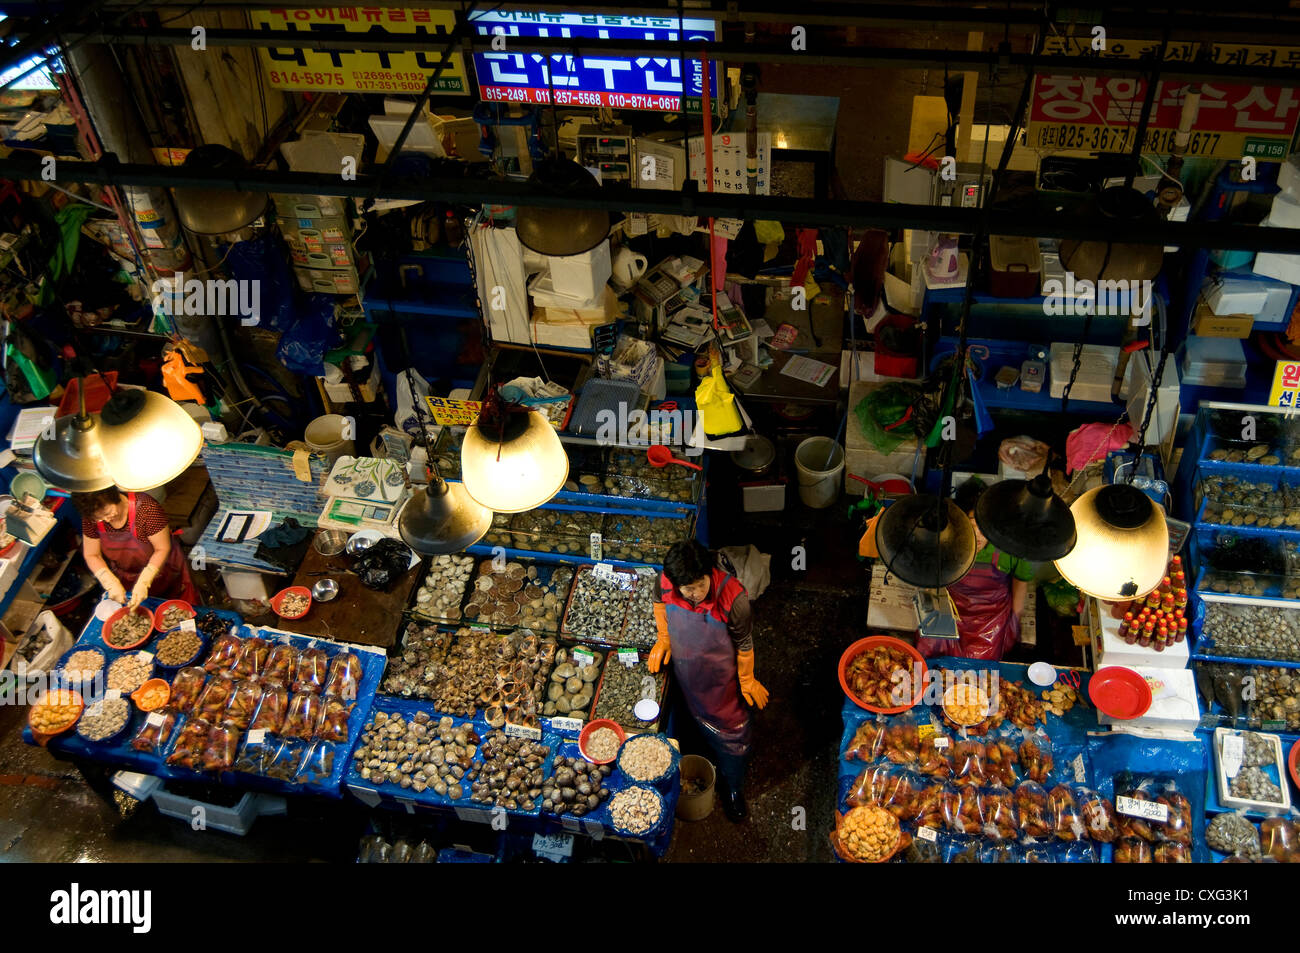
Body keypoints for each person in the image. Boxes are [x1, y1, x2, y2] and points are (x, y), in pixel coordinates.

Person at [649, 539, 768, 822]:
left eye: (700, 585)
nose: (694, 594)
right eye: (687, 589)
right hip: (686, 672)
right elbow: (659, 603)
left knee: (733, 734)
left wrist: (748, 679)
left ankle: (734, 787)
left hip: (721, 683)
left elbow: (744, 642)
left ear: (709, 573)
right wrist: (664, 638)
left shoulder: (734, 598)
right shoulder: (664, 581)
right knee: (693, 721)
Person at [917, 479, 1031, 662]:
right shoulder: (947, 538)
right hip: (952, 606)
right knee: (929, 654)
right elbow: (930, 572)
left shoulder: (1010, 544)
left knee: (978, 664)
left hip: (990, 615)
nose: (976, 536)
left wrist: (1015, 619)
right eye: (970, 527)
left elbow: (1021, 580)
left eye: (982, 527)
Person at [72, 486, 198, 607]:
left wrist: (144, 581)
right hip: (128, 577)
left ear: (113, 496)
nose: (106, 520)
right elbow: (91, 554)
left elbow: (162, 548)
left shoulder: (146, 509)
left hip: (166, 572)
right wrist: (109, 582)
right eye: (99, 518)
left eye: (108, 512)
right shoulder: (92, 517)